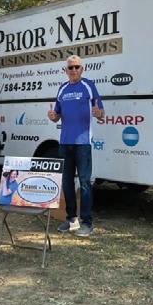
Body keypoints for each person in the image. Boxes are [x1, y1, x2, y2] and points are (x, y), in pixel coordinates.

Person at [47, 55, 104, 237]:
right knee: (66, 182)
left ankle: (87, 223)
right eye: (70, 67)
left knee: (85, 183)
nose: (73, 70)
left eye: (76, 67)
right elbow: (57, 115)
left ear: (82, 69)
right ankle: (71, 219)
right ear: (66, 70)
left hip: (83, 143)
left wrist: (98, 112)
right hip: (65, 142)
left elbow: (101, 112)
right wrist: (52, 116)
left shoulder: (88, 85)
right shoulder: (62, 88)